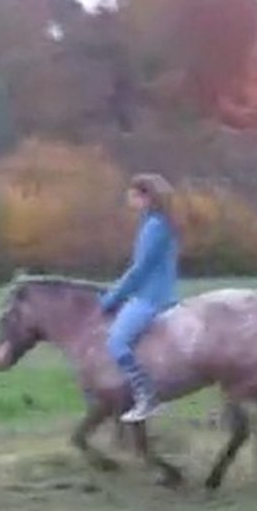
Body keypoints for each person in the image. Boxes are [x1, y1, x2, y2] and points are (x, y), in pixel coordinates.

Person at [99, 173, 180, 423]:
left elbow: (139, 270)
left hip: (151, 297)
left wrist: (112, 298)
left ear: (145, 197)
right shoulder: (156, 223)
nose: (128, 198)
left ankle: (147, 397)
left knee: (116, 342)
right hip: (152, 292)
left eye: (132, 194)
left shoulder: (154, 226)